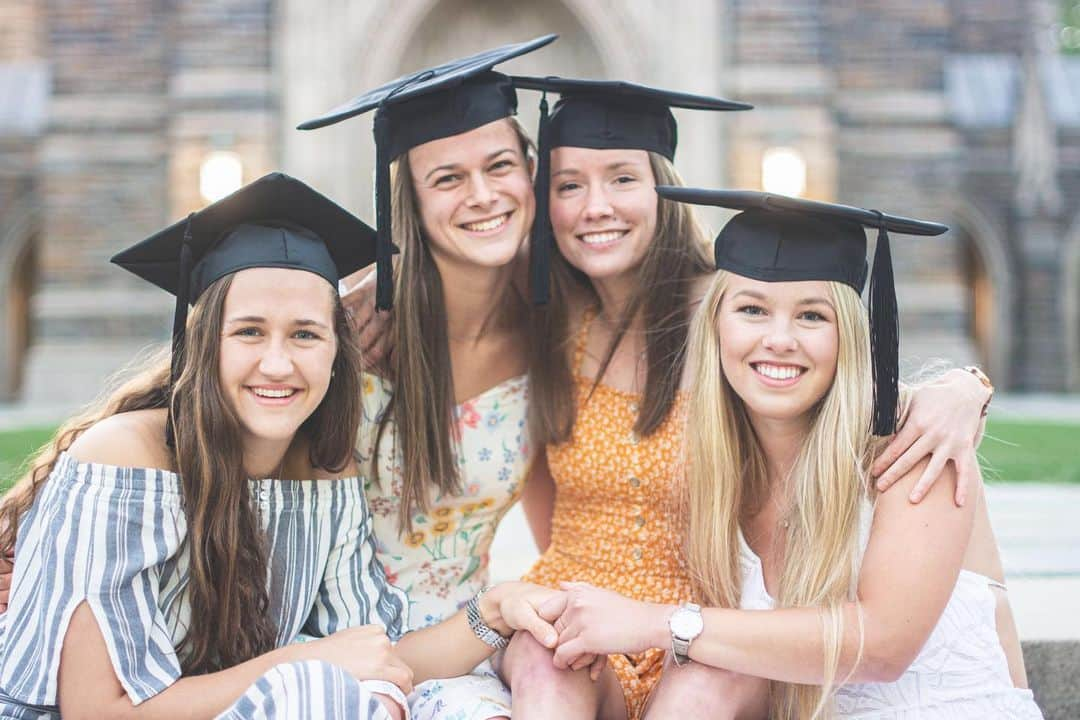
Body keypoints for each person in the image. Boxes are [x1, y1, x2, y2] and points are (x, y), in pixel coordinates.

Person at [499, 79, 997, 720]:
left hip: (723, 653)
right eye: (568, 185)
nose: (776, 338)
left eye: (623, 177)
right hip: (598, 632)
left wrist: (964, 389)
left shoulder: (886, 434)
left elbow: (887, 640)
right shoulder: (549, 320)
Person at [0, 173, 560, 720]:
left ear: (338, 352)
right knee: (322, 691)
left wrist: (492, 610)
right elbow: (95, 708)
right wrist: (302, 661)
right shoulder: (127, 458)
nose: (277, 363)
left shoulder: (324, 471)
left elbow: (378, 657)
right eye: (248, 331)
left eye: (305, 334)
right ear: (203, 343)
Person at [297, 36, 564, 720]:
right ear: (409, 201)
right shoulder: (350, 327)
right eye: (447, 177)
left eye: (499, 165)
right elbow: (195, 398)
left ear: (530, 171)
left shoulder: (551, 331)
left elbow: (563, 528)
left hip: (463, 647)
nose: (482, 195)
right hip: (319, 647)